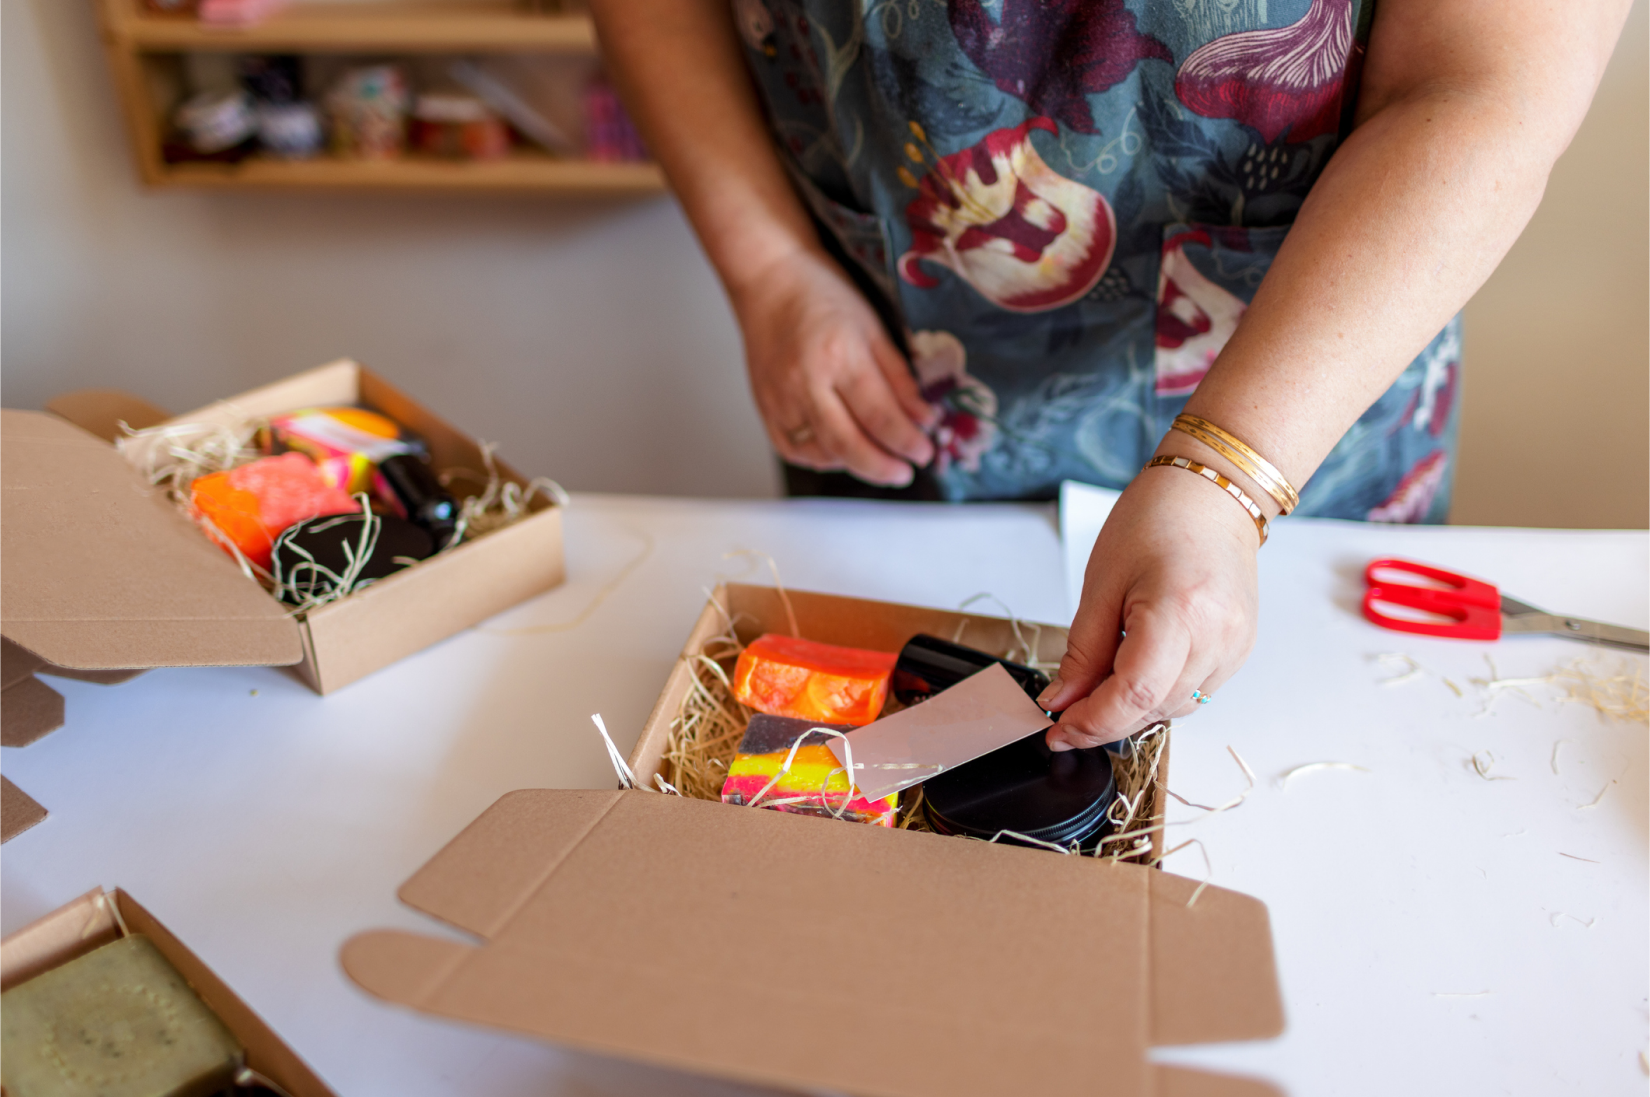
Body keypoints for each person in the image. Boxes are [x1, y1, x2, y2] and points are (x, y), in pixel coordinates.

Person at [590, 0, 1630, 749]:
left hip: (1308, 417)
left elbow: (1486, 81)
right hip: (892, 380)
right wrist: (769, 269)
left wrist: (1232, 472)